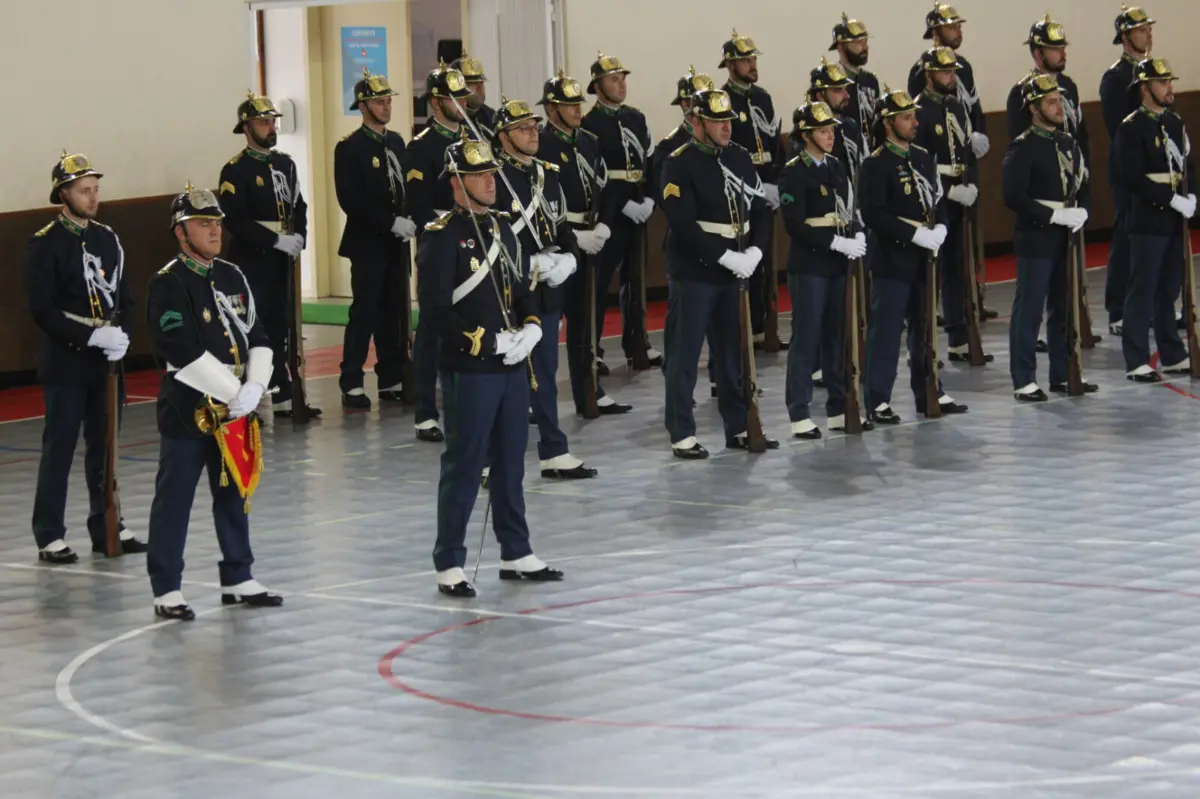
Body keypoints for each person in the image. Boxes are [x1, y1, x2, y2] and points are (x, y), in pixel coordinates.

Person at [419, 134, 564, 598]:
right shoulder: (441, 237)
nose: (490, 182)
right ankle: (449, 562)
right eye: (480, 176)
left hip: (512, 366)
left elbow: (521, 290)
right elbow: (437, 309)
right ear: (458, 184)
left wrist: (532, 326)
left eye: (490, 174)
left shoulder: (503, 228)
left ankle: (516, 549)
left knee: (510, 462)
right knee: (464, 463)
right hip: (472, 366)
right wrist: (485, 342)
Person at [144, 183, 283, 620]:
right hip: (190, 409)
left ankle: (238, 575)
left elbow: (258, 334)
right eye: (203, 223)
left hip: (236, 408)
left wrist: (256, 387)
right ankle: (167, 587)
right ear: (180, 232)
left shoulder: (232, 275)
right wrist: (234, 392)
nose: (214, 230)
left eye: (217, 222)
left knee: (234, 492)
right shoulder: (168, 283)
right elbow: (179, 349)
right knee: (176, 498)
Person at [24, 151, 147, 564]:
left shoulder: (107, 237)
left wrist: (121, 336)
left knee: (106, 445)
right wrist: (89, 338)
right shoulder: (45, 243)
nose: (93, 198)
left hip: (107, 355)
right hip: (68, 358)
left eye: (95, 190)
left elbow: (124, 297)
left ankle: (107, 523)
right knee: (60, 445)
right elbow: (42, 310)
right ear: (63, 193)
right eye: (84, 191)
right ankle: (49, 533)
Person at [658, 87, 780, 458]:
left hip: (737, 267)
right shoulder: (678, 162)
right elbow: (683, 225)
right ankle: (682, 432)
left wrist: (757, 248)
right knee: (685, 353)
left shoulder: (740, 158)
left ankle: (739, 425)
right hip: (696, 270)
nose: (726, 128)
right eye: (717, 121)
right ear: (696, 122)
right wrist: (726, 257)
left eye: (728, 121)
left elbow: (760, 207)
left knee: (733, 353)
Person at [492, 97, 599, 480]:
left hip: (547, 288)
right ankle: (494, 459)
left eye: (535, 127)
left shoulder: (546, 175)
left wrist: (569, 257)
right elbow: (492, 234)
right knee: (504, 380)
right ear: (503, 136)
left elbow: (561, 226)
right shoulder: (493, 177)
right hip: (509, 291)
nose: (532, 134)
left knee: (546, 374)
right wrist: (528, 263)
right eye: (522, 128)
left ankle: (553, 450)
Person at [859, 87, 968, 423]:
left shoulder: (922, 157)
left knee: (925, 330)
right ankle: (878, 398)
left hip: (925, 259)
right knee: (887, 332)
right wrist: (915, 234)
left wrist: (942, 230)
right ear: (888, 123)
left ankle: (929, 390)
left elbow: (936, 200)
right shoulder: (875, 164)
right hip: (893, 259)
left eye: (913, 115)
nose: (914, 122)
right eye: (906, 117)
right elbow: (874, 214)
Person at [536, 70, 633, 418]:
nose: (577, 110)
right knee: (547, 322)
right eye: (568, 105)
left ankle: (589, 388)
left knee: (586, 320)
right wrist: (573, 236)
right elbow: (542, 200)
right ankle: (537, 397)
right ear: (551, 110)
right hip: (559, 242)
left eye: (577, 103)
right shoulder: (542, 144)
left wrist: (605, 224)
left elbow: (606, 186)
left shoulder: (589, 141)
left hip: (593, 239)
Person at [218, 90, 320, 419]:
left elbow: (298, 205)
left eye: (272, 121)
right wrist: (274, 241)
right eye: (263, 122)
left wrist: (299, 235)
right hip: (254, 259)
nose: (271, 127)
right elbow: (235, 218)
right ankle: (252, 399)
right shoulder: (235, 170)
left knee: (282, 325)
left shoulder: (285, 164)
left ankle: (282, 391)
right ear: (246, 128)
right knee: (254, 327)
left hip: (283, 259)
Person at [778, 101, 871, 439]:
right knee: (808, 338)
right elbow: (795, 225)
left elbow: (850, 208)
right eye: (822, 131)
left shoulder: (836, 167)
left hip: (838, 263)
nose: (830, 136)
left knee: (837, 335)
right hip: (811, 265)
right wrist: (835, 242)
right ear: (805, 135)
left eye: (831, 130)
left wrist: (858, 233)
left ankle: (837, 406)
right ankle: (799, 410)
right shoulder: (794, 171)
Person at [1003, 74, 1098, 400]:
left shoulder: (1068, 143)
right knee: (1029, 308)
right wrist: (1053, 215)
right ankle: (1024, 378)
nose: (1060, 107)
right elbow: (1014, 196)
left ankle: (1063, 372)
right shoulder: (1024, 146)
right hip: (1038, 235)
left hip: (1067, 235)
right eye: (1052, 102)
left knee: (1065, 306)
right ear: (1033, 108)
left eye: (1060, 101)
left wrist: (1083, 210)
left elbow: (1083, 182)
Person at [335, 67, 419, 416]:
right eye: (379, 102)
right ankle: (351, 380)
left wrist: (409, 217)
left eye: (387, 101)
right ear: (363, 106)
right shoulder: (350, 148)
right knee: (365, 310)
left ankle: (391, 376)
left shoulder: (397, 142)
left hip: (397, 242)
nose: (386, 107)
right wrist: (389, 222)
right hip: (368, 241)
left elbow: (406, 185)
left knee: (395, 310)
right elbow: (351, 200)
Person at [403, 63, 476, 440]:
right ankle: (426, 411)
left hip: (476, 237)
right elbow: (417, 203)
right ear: (435, 102)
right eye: (453, 98)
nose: (462, 103)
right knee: (433, 323)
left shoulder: (475, 140)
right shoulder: (422, 146)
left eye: (463, 97)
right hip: (442, 239)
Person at [1113, 55, 1196, 382]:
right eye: (1163, 83)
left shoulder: (1174, 122)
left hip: (1174, 218)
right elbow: (1132, 176)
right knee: (1143, 289)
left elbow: (1186, 166)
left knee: (1168, 290)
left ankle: (1172, 353)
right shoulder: (1131, 127)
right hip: (1148, 218)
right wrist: (1171, 198)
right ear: (1145, 88)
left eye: (1169, 81)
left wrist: (1191, 195)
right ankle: (1136, 358)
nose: (1169, 87)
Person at [581, 52, 660, 372]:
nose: (621, 84)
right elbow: (594, 173)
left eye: (623, 78)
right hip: (610, 211)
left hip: (639, 204)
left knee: (636, 280)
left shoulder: (636, 118)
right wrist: (620, 203)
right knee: (599, 283)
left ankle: (637, 341)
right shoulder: (590, 124)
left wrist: (651, 199)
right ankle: (593, 347)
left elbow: (651, 162)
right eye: (614, 79)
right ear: (598, 87)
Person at [913, 46, 992, 365]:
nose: (951, 77)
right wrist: (946, 191)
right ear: (929, 75)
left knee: (959, 269)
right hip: (933, 200)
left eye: (953, 72)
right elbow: (920, 164)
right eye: (945, 72)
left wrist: (971, 181)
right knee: (928, 273)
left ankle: (959, 337)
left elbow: (966, 152)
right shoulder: (918, 111)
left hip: (961, 193)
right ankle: (922, 342)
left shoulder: (958, 107)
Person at [719, 29, 783, 348]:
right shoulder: (723, 100)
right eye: (745, 60)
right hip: (740, 192)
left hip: (766, 189)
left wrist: (775, 183)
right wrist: (754, 186)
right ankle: (747, 325)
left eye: (753, 58)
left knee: (765, 259)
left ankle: (764, 326)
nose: (751, 64)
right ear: (730, 65)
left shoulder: (763, 98)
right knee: (745, 260)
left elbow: (774, 145)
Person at [1100, 5, 1156, 334]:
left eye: (1149, 28)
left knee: (1156, 239)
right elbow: (1117, 128)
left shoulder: (1152, 71)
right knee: (1126, 236)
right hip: (1129, 169)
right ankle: (1117, 308)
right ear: (1125, 36)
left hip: (1157, 168)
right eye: (1141, 29)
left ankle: (1156, 303)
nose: (1148, 34)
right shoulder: (1117, 77)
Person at [829, 13, 880, 150]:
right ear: (841, 47)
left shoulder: (870, 81)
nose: (865, 47)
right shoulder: (830, 83)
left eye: (865, 41)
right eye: (858, 42)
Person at [452, 53, 497, 139]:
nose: (480, 87)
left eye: (481, 83)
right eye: (472, 83)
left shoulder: (490, 115)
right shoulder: (449, 118)